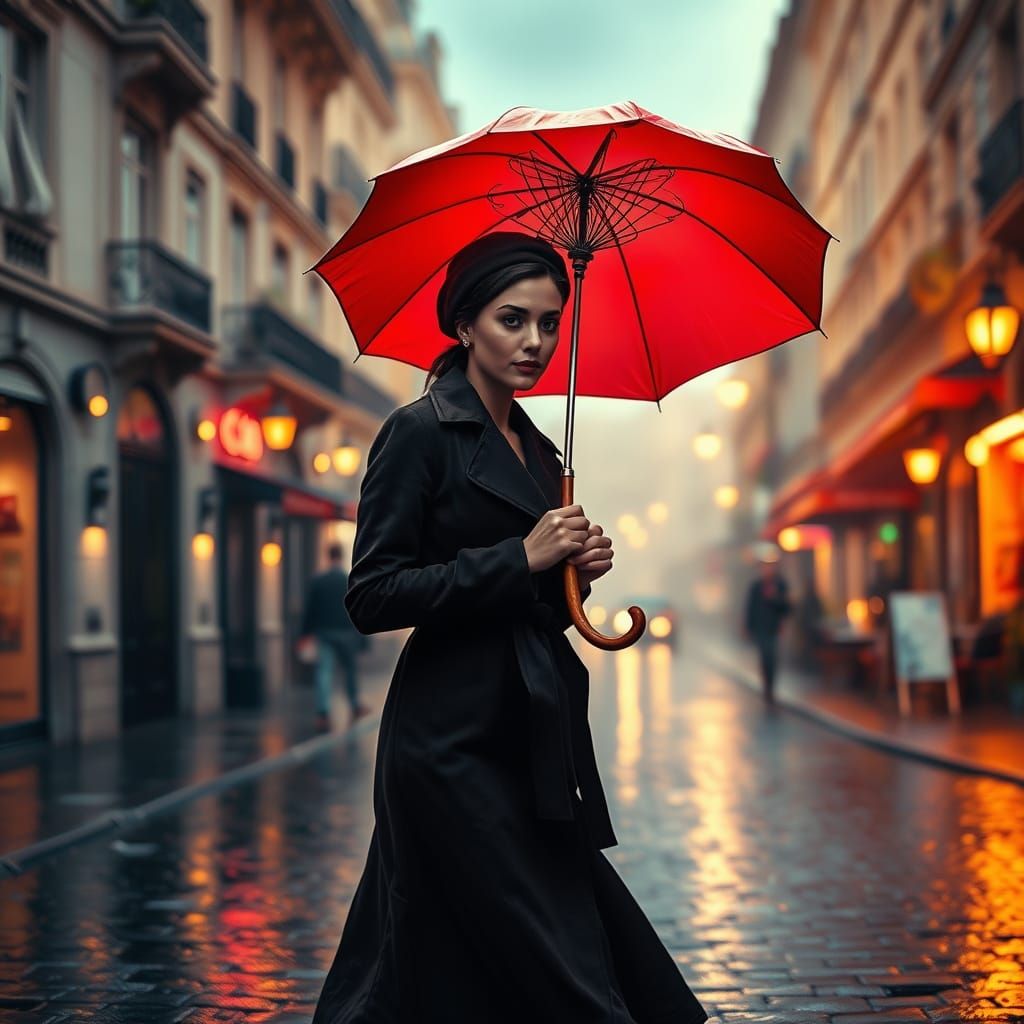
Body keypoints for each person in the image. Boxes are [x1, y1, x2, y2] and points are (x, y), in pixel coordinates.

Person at [312, 232, 707, 1023]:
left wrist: (570, 578)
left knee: (525, 947)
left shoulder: (539, 446)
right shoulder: (418, 432)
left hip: (531, 734)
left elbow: (524, 600)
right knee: (551, 961)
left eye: (550, 324)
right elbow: (373, 594)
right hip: (449, 743)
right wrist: (521, 557)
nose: (536, 343)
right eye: (512, 320)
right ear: (464, 325)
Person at [299, 541, 370, 732]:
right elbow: (360, 609)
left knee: (324, 672)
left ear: (328, 556)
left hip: (325, 633)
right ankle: (354, 704)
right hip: (347, 633)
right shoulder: (348, 580)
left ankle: (323, 713)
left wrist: (304, 634)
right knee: (350, 670)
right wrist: (364, 640)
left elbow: (310, 610)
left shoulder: (318, 581)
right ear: (341, 556)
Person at [744, 555, 793, 703]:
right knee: (764, 657)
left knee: (772, 657)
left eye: (770, 567)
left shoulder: (780, 585)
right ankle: (767, 687)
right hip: (760, 628)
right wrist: (748, 627)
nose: (767, 570)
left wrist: (774, 598)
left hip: (774, 628)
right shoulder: (756, 587)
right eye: (764, 567)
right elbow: (750, 608)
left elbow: (787, 607)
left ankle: (771, 687)